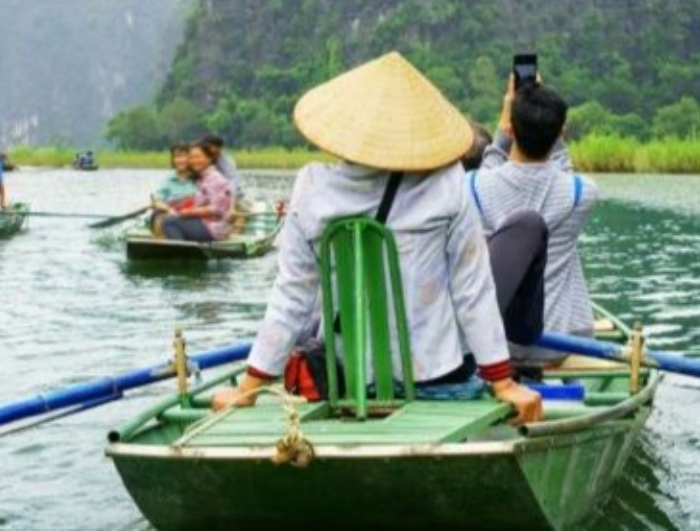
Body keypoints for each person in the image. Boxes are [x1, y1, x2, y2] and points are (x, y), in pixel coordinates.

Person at [211, 52, 543, 424]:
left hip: (345, 379)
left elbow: (292, 296)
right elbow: (473, 289)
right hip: (436, 378)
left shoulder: (312, 187)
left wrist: (248, 388)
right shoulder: (449, 184)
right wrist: (503, 383)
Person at [471, 76, 598, 368]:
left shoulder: (473, 188)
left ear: (511, 129)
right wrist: (553, 130)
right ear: (560, 134)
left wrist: (503, 131)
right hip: (560, 346)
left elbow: (488, 168)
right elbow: (563, 174)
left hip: (498, 346)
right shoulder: (583, 193)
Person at [159, 141, 233, 243]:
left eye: (198, 157)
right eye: (192, 157)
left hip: (214, 229)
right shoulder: (201, 178)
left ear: (209, 158)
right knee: (167, 217)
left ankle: (180, 251)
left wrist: (188, 212)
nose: (194, 161)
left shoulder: (215, 179)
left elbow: (217, 209)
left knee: (169, 222)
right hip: (203, 223)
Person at [150, 144, 196, 233]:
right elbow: (157, 200)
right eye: (177, 157)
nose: (180, 160)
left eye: (184, 156)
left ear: (190, 159)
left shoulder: (198, 178)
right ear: (173, 160)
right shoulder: (168, 180)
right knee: (159, 219)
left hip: (192, 216)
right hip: (171, 214)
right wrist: (168, 209)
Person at [201, 135, 241, 199]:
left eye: (213, 147)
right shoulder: (200, 158)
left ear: (219, 148)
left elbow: (233, 178)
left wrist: (228, 193)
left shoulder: (227, 161)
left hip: (225, 192)